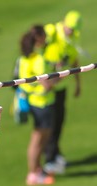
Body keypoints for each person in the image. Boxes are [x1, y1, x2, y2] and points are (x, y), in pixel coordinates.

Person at [17, 25, 59, 186]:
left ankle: (36, 170)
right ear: (38, 39)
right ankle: (33, 174)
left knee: (40, 138)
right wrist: (60, 75)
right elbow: (47, 85)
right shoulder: (39, 60)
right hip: (42, 103)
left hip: (34, 103)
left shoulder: (24, 58)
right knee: (38, 139)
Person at [43, 11, 83, 175]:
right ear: (64, 23)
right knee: (50, 125)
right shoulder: (51, 32)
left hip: (61, 87)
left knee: (59, 122)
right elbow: (39, 51)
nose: (71, 31)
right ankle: (49, 161)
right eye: (70, 28)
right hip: (49, 88)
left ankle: (56, 153)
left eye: (74, 29)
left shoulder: (72, 38)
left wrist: (78, 82)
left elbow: (73, 60)